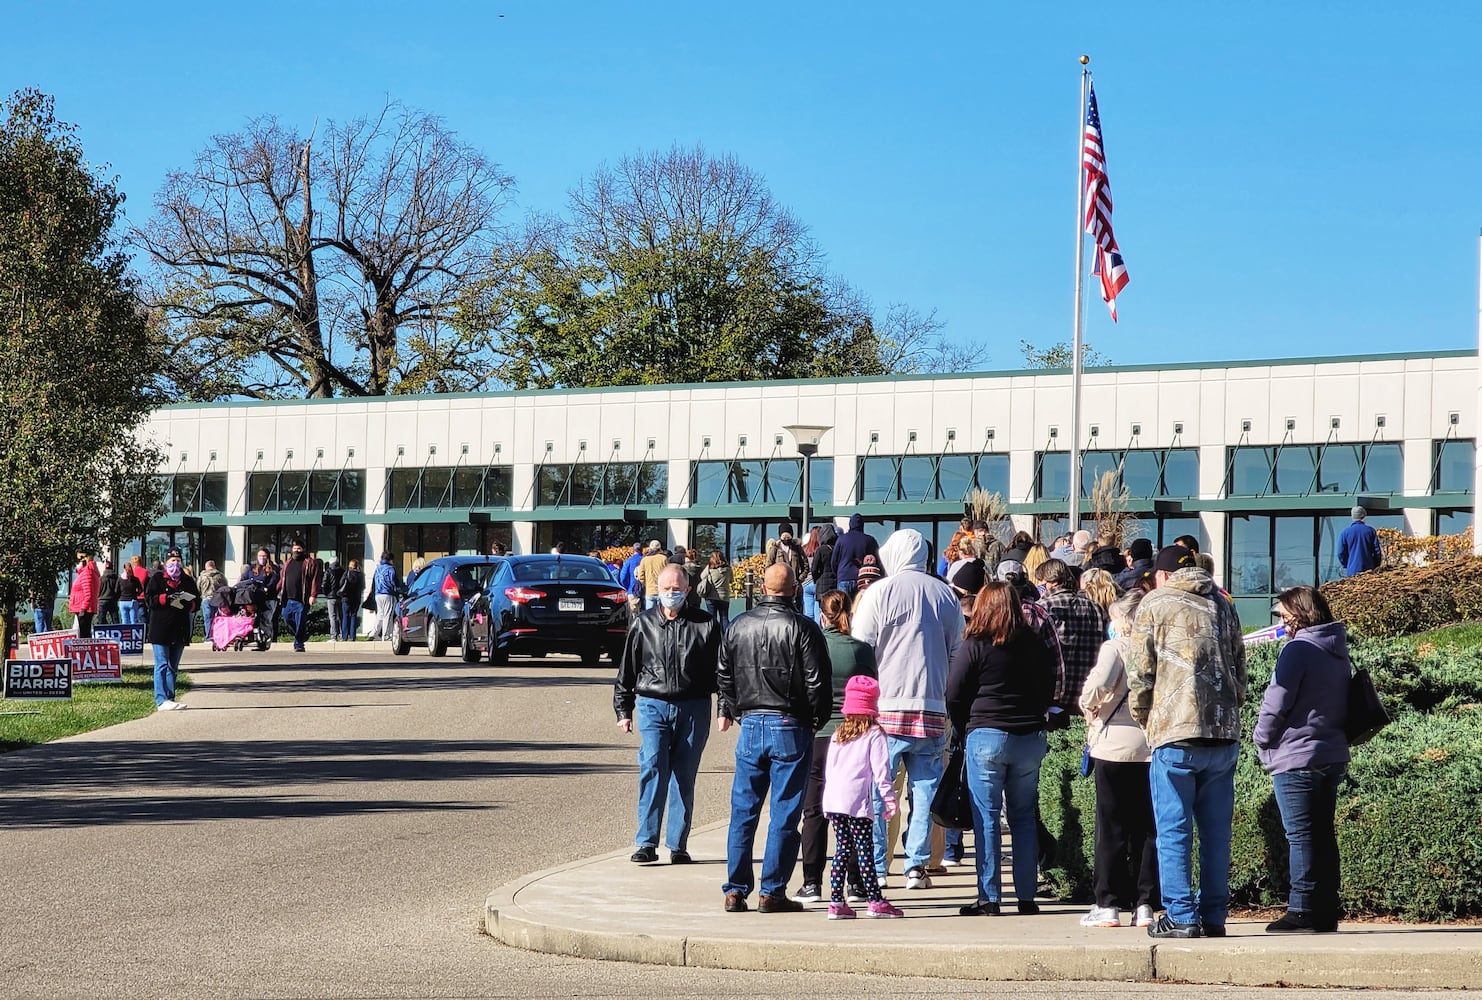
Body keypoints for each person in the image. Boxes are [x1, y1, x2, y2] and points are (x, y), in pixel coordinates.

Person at [1126, 544, 1247, 939]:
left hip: (1175, 730)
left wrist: (1148, 721)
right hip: (1222, 732)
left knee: (1174, 830)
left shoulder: (1154, 604)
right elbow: (1240, 667)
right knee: (1216, 835)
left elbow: (1140, 675)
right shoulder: (1223, 605)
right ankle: (1214, 916)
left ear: (1161, 576)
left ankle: (1181, 915)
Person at [851, 528, 964, 893]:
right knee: (925, 790)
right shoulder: (944, 594)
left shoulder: (879, 592)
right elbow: (956, 651)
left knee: (879, 790)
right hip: (931, 706)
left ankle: (878, 866)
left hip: (886, 707)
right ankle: (915, 865)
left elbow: (861, 648)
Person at [716, 563, 831, 914]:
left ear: (763, 587)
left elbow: (724, 674)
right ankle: (772, 891)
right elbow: (817, 683)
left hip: (752, 721)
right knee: (784, 812)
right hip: (789, 722)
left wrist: (738, 710)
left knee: (744, 811)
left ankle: (736, 890)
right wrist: (814, 719)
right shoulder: (802, 627)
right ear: (795, 589)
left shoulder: (739, 625)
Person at [946, 580, 1058, 915]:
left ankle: (989, 897)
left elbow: (954, 691)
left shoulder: (976, 643)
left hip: (987, 734)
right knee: (1023, 817)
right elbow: (1048, 686)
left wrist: (965, 725)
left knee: (987, 817)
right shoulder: (1035, 643)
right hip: (1029, 737)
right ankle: (1026, 896)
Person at [1254, 585, 1351, 934]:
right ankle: (1326, 910)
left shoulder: (1297, 650)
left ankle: (1302, 910)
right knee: (1322, 834)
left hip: (1297, 755)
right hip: (1331, 753)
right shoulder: (1336, 648)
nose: (1280, 623)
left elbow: (1276, 703)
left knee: (1301, 836)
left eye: (1282, 616)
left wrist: (1261, 740)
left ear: (1299, 614)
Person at [615, 564, 723, 866]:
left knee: (683, 776)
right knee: (652, 767)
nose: (671, 594)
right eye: (666, 589)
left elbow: (722, 671)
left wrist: (724, 708)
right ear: (657, 590)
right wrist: (624, 709)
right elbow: (628, 670)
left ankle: (678, 844)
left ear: (687, 590)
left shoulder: (706, 624)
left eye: (677, 589)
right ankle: (646, 842)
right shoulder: (643, 624)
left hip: (693, 707)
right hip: (653, 703)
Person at [1079, 590, 1159, 929]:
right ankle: (1145, 904)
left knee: (1111, 827)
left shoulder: (1115, 648)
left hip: (1113, 746)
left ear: (1124, 619)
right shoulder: (1157, 648)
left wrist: (1088, 702)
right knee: (1146, 828)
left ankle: (1108, 902)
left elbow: (1098, 684)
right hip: (1149, 746)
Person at [796, 589, 877, 903]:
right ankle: (856, 883)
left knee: (814, 808)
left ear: (822, 615)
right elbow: (870, 688)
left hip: (820, 733)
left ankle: (812, 882)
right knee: (856, 809)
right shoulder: (862, 650)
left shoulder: (814, 645)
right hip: (854, 733)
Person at [822, 675, 903, 919]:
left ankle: (836, 902)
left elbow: (829, 768)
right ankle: (875, 900)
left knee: (842, 850)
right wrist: (889, 799)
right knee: (865, 850)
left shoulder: (839, 732)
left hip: (834, 799)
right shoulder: (874, 733)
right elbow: (881, 770)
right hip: (856, 801)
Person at [1034, 558, 1109, 714]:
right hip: (1089, 697)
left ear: (1052, 581)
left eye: (1040, 580)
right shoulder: (1095, 608)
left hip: (1053, 698)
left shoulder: (1043, 608)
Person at [146, 552, 199, 711]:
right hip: (160, 629)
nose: (175, 564)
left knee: (173, 666)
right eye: (172, 561)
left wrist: (187, 604)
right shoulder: (156, 579)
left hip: (179, 629)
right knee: (161, 664)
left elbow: (196, 601)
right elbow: (150, 600)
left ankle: (170, 697)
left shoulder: (187, 580)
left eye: (178, 561)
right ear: (165, 563)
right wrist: (165, 598)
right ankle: (161, 699)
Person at [278, 541, 321, 652]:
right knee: (286, 617)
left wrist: (313, 595)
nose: (297, 550)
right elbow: (282, 578)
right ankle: (301, 635)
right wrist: (276, 589)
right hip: (288, 599)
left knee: (300, 621)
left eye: (299, 548)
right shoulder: (288, 562)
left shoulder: (309, 563)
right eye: (295, 548)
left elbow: (315, 580)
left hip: (302, 599)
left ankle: (298, 644)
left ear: (303, 549)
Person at [832, 514, 880, 596]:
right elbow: (877, 561)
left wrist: (837, 574)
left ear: (850, 524)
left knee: (844, 607)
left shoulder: (841, 539)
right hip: (862, 578)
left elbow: (834, 561)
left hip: (844, 576)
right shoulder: (869, 540)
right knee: (859, 606)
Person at [241, 549, 280, 642]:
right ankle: (252, 638)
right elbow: (244, 579)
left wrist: (267, 588)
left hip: (268, 598)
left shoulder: (273, 569)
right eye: (260, 556)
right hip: (254, 598)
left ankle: (267, 639)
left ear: (268, 557)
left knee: (265, 619)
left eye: (264, 556)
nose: (262, 558)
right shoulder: (252, 568)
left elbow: (274, 581)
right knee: (252, 618)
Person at [1337, 507, 1383, 577]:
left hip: (1352, 571)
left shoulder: (1345, 533)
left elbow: (1340, 553)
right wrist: (1375, 566)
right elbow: (1377, 552)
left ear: (1352, 517)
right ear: (1363, 516)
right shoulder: (1370, 531)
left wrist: (1347, 564)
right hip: (1369, 571)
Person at [809, 524, 839, 621]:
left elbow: (814, 569)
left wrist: (816, 579)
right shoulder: (837, 549)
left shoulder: (821, 550)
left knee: (821, 613)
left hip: (822, 584)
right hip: (834, 583)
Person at [699, 550, 734, 629]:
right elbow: (731, 580)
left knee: (712, 618)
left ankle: (713, 636)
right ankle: (726, 636)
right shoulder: (728, 570)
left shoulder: (710, 570)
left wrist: (708, 566)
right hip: (724, 597)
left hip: (711, 596)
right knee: (724, 618)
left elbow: (702, 576)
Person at [68, 552, 99, 638]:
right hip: (84, 608)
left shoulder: (87, 573)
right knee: (84, 633)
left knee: (84, 634)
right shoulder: (86, 573)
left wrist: (83, 609)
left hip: (84, 609)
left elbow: (88, 594)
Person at [197, 560, 228, 644]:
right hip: (218, 599)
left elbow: (198, 588)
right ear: (214, 566)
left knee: (208, 619)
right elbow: (225, 587)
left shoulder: (202, 576)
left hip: (206, 599)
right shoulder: (220, 576)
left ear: (206, 567)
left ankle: (209, 637)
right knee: (218, 618)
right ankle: (219, 636)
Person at [372, 552, 400, 640]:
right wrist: (397, 589)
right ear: (390, 559)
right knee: (388, 614)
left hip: (378, 593)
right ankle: (386, 635)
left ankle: (375, 633)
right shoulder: (391, 569)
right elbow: (393, 582)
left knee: (380, 614)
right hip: (388, 593)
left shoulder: (378, 568)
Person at [337, 559, 366, 641]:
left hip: (346, 597)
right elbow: (363, 586)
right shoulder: (361, 575)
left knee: (345, 616)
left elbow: (341, 583)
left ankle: (344, 636)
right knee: (353, 615)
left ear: (350, 565)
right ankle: (352, 637)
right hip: (356, 597)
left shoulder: (347, 572)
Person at [637, 540, 670, 611]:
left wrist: (647, 584)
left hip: (650, 591)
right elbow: (668, 573)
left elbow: (640, 576)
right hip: (662, 590)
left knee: (649, 615)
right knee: (662, 614)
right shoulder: (664, 558)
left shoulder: (645, 560)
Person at [322, 558, 343, 642]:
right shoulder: (342, 571)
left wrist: (326, 594)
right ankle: (343, 634)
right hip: (340, 597)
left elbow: (324, 584)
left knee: (332, 617)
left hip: (331, 597)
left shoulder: (328, 571)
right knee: (341, 617)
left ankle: (333, 636)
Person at [97, 561, 120, 625]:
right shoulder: (116, 578)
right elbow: (118, 590)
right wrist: (116, 597)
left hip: (102, 600)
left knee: (101, 619)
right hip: (113, 600)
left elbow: (98, 589)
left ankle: (102, 632)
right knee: (115, 619)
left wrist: (98, 597)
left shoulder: (101, 578)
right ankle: (117, 632)